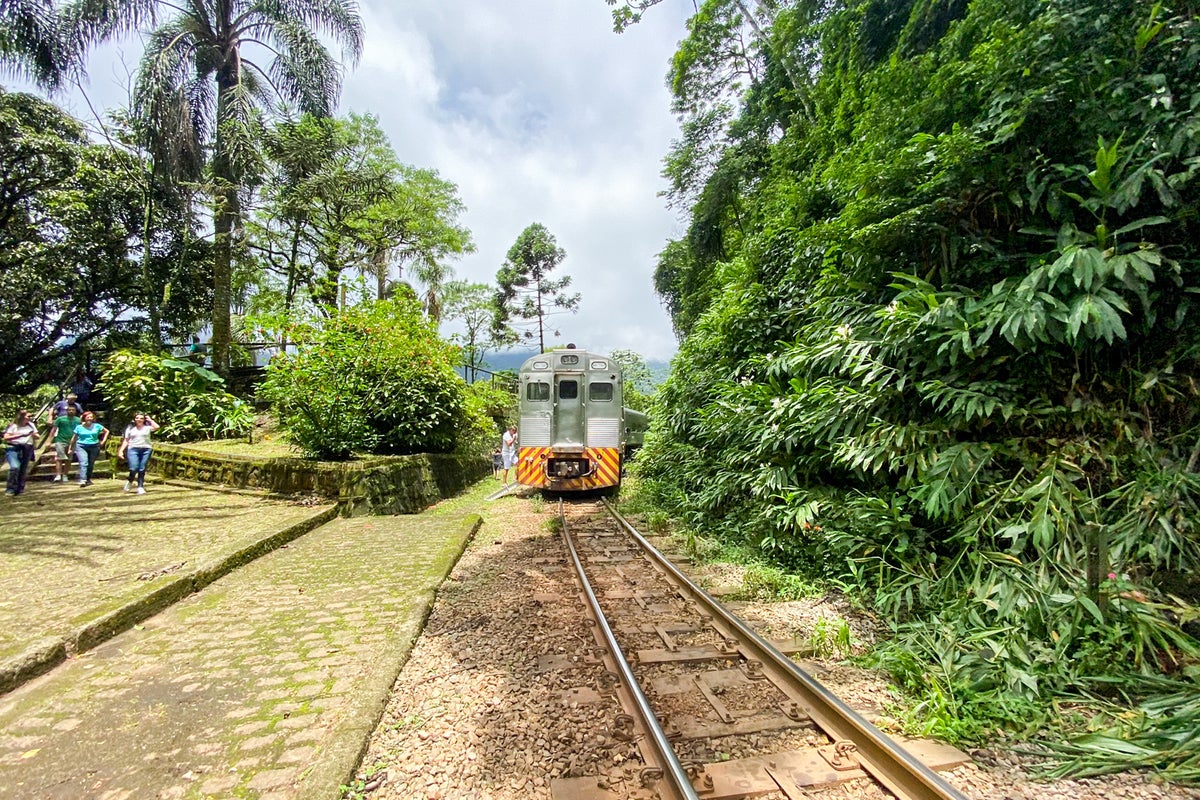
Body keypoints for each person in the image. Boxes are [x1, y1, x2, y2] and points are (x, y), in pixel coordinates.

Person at [118, 413, 159, 494]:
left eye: (141, 418)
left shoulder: (147, 428)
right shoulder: (130, 428)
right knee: (134, 468)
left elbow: (157, 427)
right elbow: (126, 440)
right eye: (137, 418)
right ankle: (130, 481)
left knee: (142, 468)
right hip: (133, 449)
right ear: (134, 419)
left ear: (144, 420)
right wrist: (121, 451)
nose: (139, 420)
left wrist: (150, 420)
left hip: (146, 449)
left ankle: (140, 486)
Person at [68, 411, 109, 487]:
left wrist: (103, 441)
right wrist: (70, 448)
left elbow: (106, 431)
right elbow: (74, 438)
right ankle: (82, 480)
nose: (90, 419)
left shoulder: (97, 426)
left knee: (90, 464)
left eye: (91, 417)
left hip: (94, 446)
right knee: (84, 462)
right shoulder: (79, 427)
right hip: (81, 446)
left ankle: (88, 478)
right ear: (84, 418)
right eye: (88, 417)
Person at [3, 409, 38, 496]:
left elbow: (37, 436)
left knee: (23, 469)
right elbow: (6, 437)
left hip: (26, 447)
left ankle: (19, 489)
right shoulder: (13, 426)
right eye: (28, 416)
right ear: (22, 416)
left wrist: (34, 435)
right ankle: (10, 488)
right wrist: (21, 435)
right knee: (15, 467)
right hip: (13, 447)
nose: (30, 418)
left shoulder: (31, 425)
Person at [50, 404, 79, 482]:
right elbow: (53, 430)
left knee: (69, 459)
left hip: (72, 441)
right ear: (66, 411)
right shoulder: (60, 419)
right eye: (69, 410)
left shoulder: (78, 420)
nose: (71, 411)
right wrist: (49, 441)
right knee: (59, 458)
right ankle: (58, 474)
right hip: (60, 440)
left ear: (75, 411)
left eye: (73, 410)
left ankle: (65, 474)